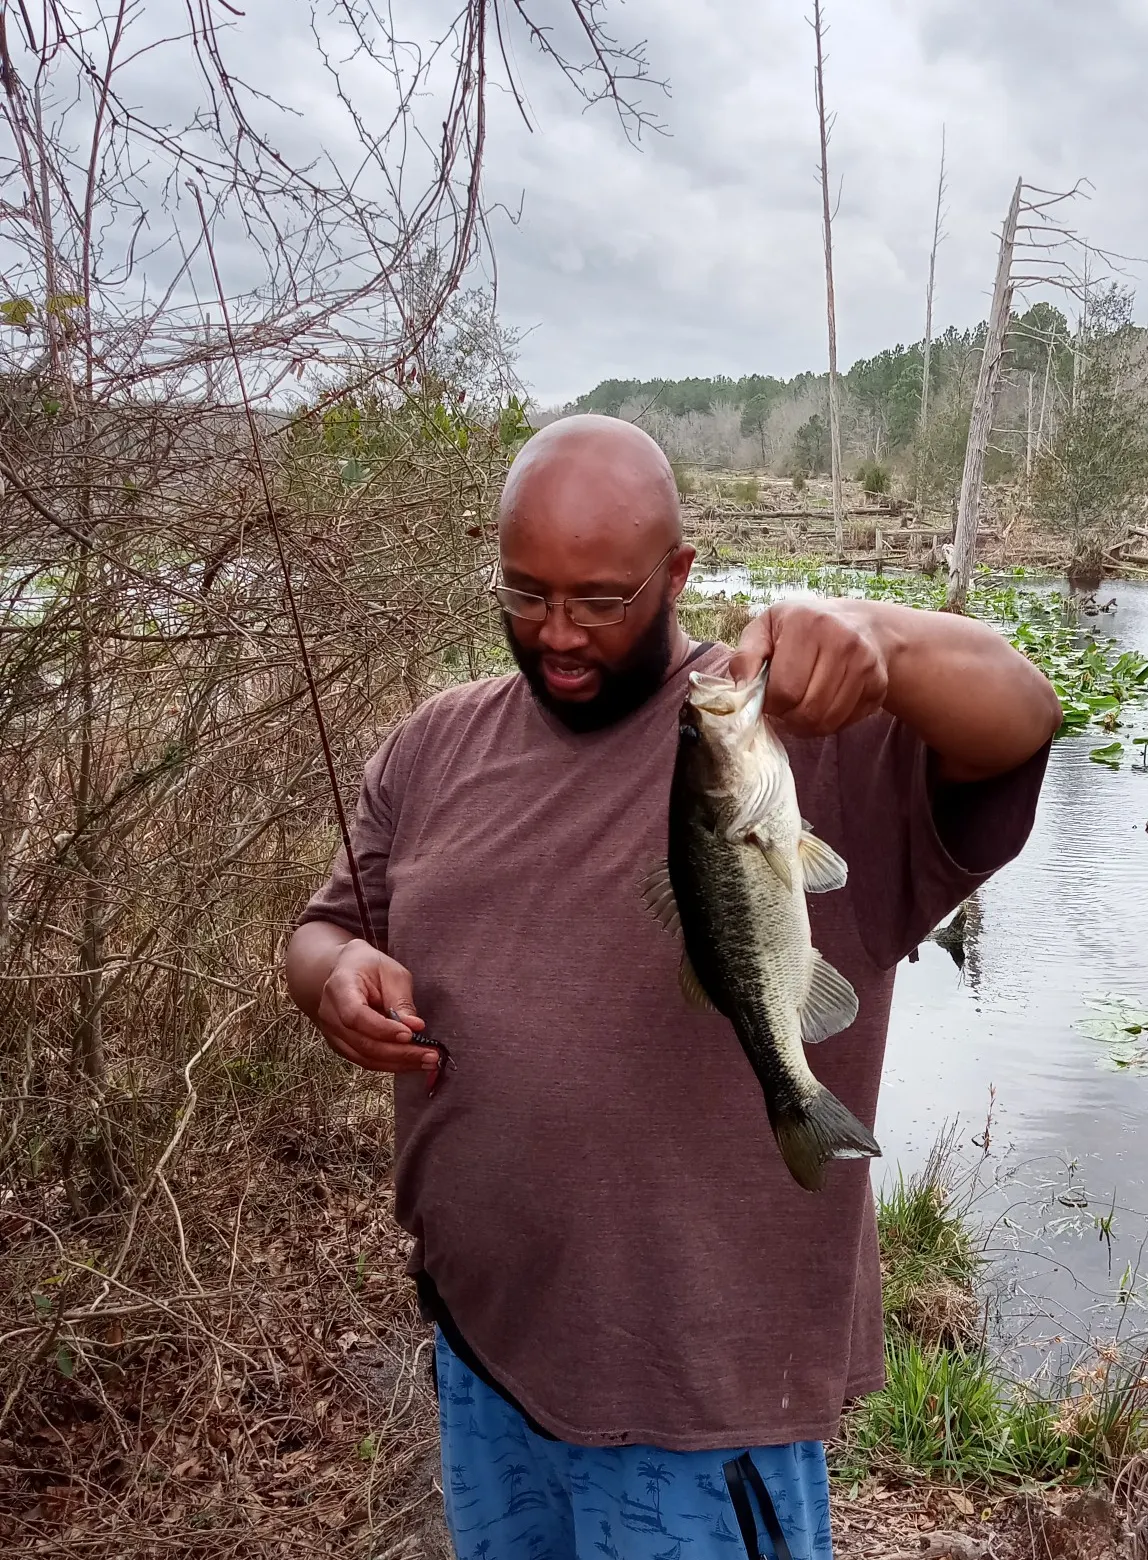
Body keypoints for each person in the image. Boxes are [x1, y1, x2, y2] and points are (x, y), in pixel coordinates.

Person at [286, 414, 1061, 1559]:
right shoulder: (434, 745)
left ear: (680, 572)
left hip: (701, 1408)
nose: (557, 634)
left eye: (600, 600)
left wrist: (886, 642)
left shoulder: (796, 742)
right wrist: (332, 974)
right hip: (485, 1347)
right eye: (525, 593)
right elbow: (326, 925)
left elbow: (1023, 718)